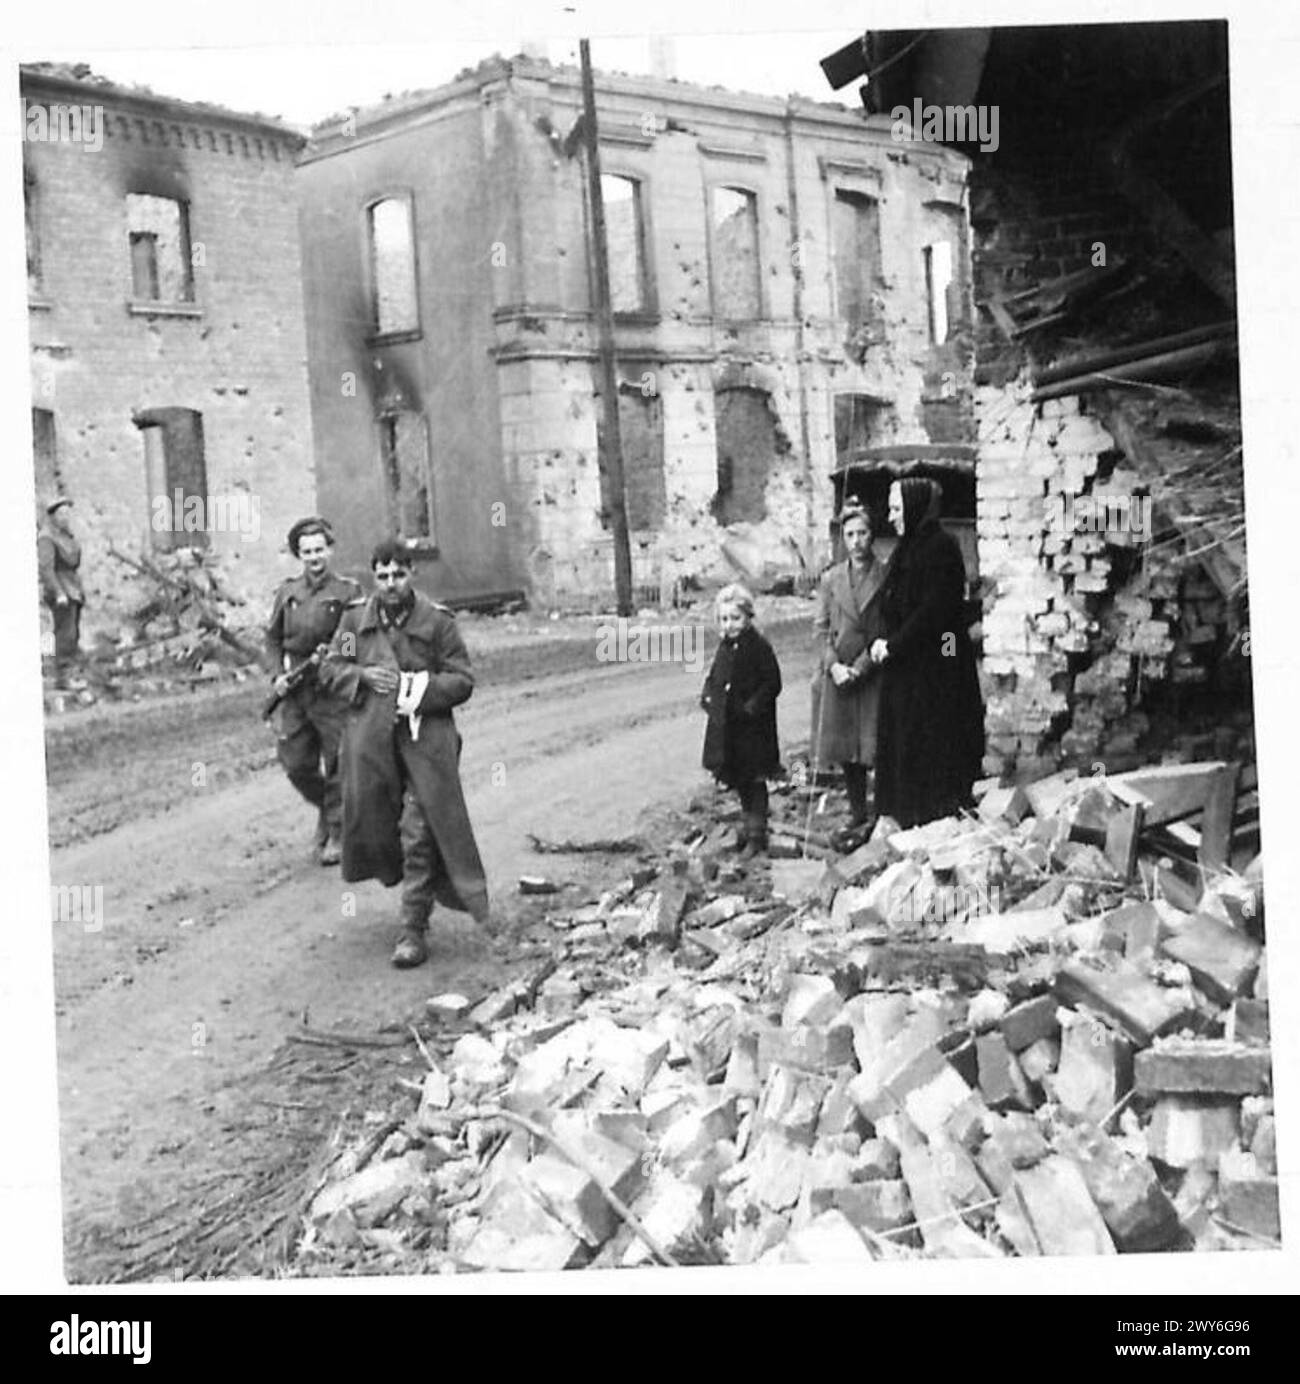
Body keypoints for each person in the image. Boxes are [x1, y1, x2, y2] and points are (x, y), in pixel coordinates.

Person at [318, 539, 493, 968]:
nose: (391, 584)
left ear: (411, 574)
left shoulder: (437, 622)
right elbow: (330, 670)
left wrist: (420, 689)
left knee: (421, 828)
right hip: (372, 742)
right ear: (373, 577)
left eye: (398, 575)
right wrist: (361, 675)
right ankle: (405, 883)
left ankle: (413, 927)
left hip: (426, 739)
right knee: (375, 823)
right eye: (383, 576)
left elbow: (463, 679)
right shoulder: (355, 620)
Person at [870, 477, 985, 828]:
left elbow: (935, 613)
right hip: (908, 666)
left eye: (896, 509)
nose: (892, 517)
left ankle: (937, 815)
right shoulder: (907, 548)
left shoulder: (941, 548)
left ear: (915, 506)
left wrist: (893, 645)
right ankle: (907, 813)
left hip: (937, 666)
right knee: (906, 739)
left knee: (934, 736)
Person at [265, 517, 363, 865]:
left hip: (332, 688)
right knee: (295, 762)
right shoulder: (287, 592)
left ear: (330, 550)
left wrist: (336, 657)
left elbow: (357, 635)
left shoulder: (348, 591)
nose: (314, 557)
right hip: (296, 688)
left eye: (319, 549)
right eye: (307, 552)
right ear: (299, 555)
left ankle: (337, 832)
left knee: (338, 761)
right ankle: (326, 807)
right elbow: (273, 639)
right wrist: (277, 674)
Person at [811, 501, 889, 847]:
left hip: (871, 672)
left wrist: (860, 667)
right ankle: (858, 812)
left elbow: (887, 627)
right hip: (839, 675)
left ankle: (881, 811)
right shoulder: (831, 579)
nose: (856, 541)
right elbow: (821, 628)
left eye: (863, 533)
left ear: (873, 536)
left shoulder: (885, 574)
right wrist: (834, 665)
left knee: (874, 744)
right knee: (846, 750)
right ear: (842, 538)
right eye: (850, 534)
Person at [700, 583, 783, 856]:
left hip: (754, 730)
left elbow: (773, 682)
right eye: (724, 619)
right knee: (740, 780)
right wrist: (708, 696)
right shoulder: (725, 647)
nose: (730, 624)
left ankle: (757, 835)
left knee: (755, 781)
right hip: (731, 731)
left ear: (748, 617)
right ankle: (748, 827)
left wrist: (752, 707)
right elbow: (716, 677)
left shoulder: (758, 647)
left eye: (735, 618)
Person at [37, 496, 84, 690]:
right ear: (53, 516)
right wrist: (58, 592)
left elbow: (74, 562)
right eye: (61, 513)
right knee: (65, 632)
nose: (65, 517)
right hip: (61, 588)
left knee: (72, 632)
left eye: (67, 513)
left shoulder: (67, 536)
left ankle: (68, 672)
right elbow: (46, 568)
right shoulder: (47, 538)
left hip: (73, 588)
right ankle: (64, 675)